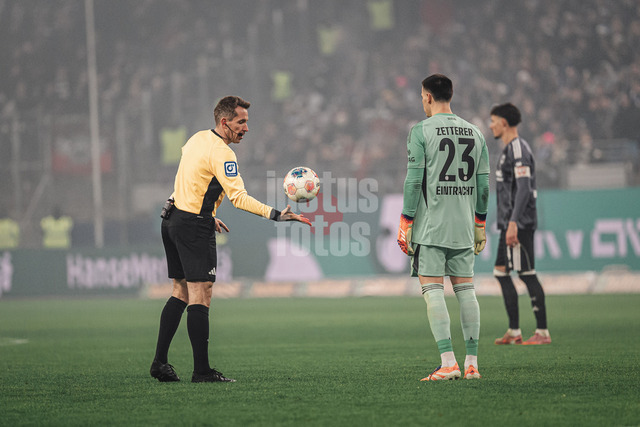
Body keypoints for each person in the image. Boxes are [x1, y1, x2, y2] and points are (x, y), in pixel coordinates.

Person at [151, 95, 311, 383]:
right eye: (241, 122)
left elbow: (188, 178)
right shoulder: (224, 154)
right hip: (192, 225)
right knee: (202, 293)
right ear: (224, 122)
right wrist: (276, 214)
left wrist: (207, 212)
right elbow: (239, 198)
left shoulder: (196, 139)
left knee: (180, 291)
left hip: (172, 217)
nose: (246, 128)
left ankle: (160, 363)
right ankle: (202, 372)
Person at [397, 74, 490, 381]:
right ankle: (472, 364)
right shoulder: (475, 132)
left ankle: (448, 362)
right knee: (466, 291)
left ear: (427, 97)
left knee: (433, 290)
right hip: (463, 227)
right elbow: (484, 185)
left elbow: (414, 181)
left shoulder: (421, 130)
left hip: (432, 227)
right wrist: (479, 223)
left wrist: (406, 221)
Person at [489, 103, 551, 345]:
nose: (491, 126)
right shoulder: (509, 150)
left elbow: (524, 189)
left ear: (504, 123)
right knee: (501, 272)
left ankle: (542, 332)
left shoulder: (518, 149)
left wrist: (513, 222)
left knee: (527, 274)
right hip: (509, 223)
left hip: (519, 223)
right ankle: (514, 331)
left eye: (493, 121)